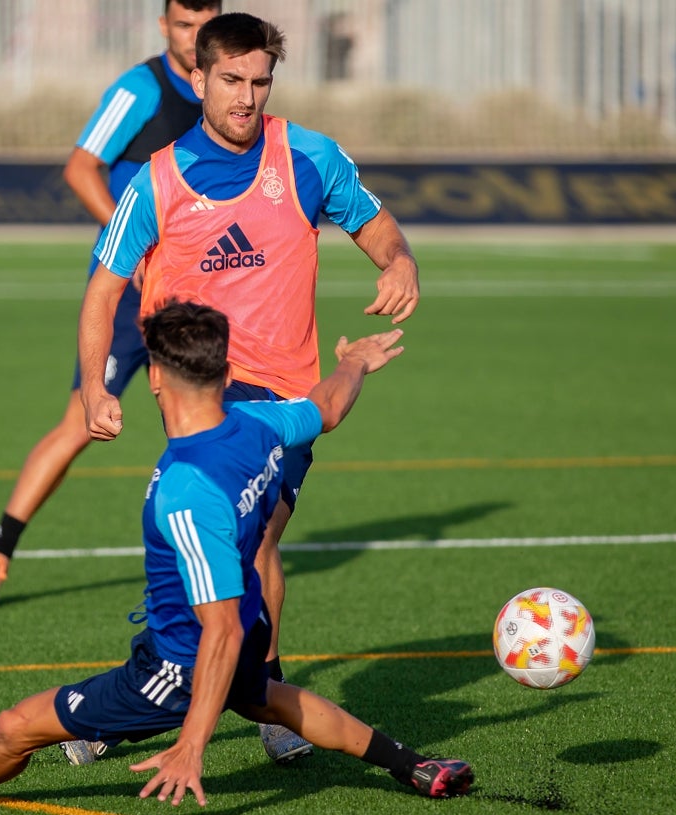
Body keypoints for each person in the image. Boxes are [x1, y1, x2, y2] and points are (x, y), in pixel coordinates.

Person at [0, 300, 473, 810]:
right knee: (274, 700)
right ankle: (413, 765)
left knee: (16, 726)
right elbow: (328, 406)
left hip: (178, 663)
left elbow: (219, 631)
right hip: (251, 623)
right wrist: (357, 361)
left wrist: (193, 744)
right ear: (227, 374)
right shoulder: (257, 422)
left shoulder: (185, 490)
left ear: (153, 378)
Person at [77, 12, 420, 764]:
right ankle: (213, 695)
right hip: (197, 390)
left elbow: (375, 224)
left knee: (252, 541)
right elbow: (103, 292)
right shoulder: (156, 182)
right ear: (197, 78)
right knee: (216, 550)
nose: (247, 97)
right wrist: (97, 388)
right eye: (231, 80)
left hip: (283, 395)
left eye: (259, 82)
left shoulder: (307, 156)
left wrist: (398, 263)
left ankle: (234, 692)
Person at [0, 0, 221, 611]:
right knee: (82, 422)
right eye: (184, 26)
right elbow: (81, 169)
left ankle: (212, 562)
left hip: (198, 292)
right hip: (129, 293)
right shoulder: (141, 88)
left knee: (212, 424)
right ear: (164, 27)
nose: (194, 39)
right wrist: (134, 248)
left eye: (204, 28)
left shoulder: (226, 95)